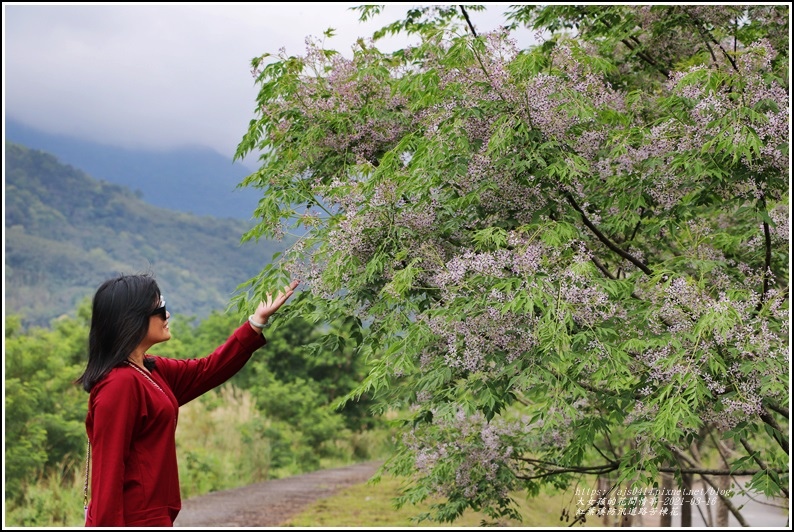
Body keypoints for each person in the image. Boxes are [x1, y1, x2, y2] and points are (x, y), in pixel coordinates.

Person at [75, 272, 299, 527]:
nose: (167, 314)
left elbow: (209, 369)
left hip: (155, 518)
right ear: (132, 318)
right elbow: (108, 476)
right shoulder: (119, 385)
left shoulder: (151, 370)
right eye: (160, 308)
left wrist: (256, 322)